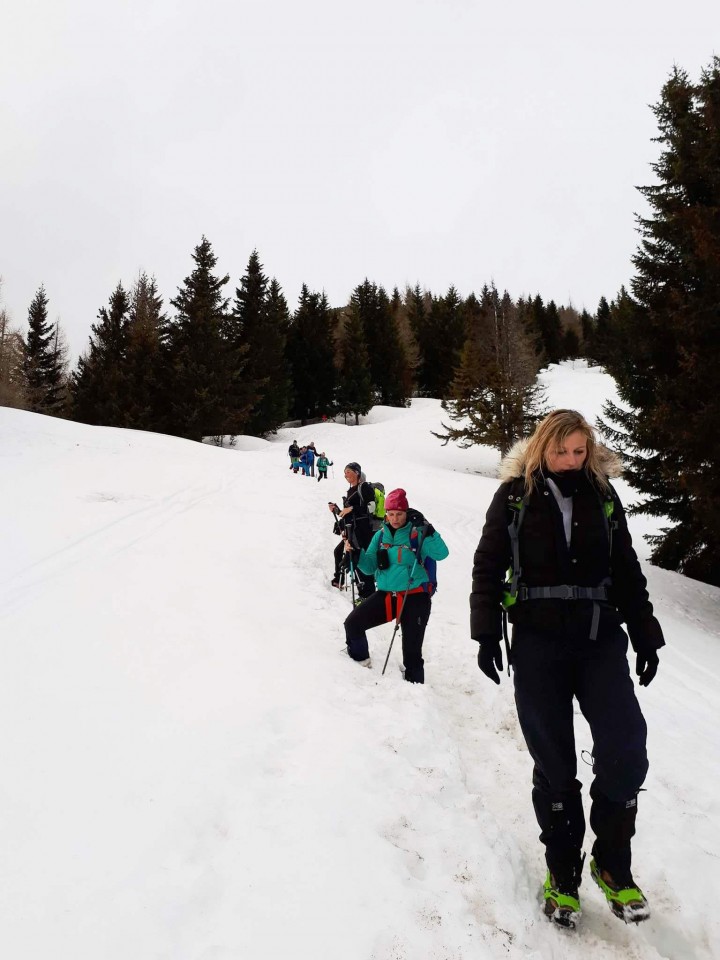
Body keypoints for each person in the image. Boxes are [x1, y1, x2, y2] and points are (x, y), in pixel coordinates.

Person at [470, 409, 665, 928]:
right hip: (536, 642)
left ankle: (610, 863)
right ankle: (562, 873)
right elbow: (488, 564)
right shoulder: (514, 497)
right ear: (542, 448)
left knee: (627, 749)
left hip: (599, 638)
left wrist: (646, 634)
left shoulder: (602, 495)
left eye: (580, 452)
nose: (571, 461)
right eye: (562, 452)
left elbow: (625, 567)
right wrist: (485, 629)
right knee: (555, 765)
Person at [342, 488, 448, 680]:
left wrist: (428, 528)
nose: (395, 518)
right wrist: (356, 555)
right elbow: (369, 567)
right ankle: (360, 666)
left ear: (406, 513)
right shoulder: (381, 536)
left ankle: (415, 695)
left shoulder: (417, 533)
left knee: (412, 654)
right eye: (391, 514)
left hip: (415, 596)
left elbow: (442, 553)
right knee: (352, 624)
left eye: (399, 514)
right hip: (386, 595)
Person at [327, 462, 377, 598]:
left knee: (359, 560)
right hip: (352, 531)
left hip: (362, 532)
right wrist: (337, 510)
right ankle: (340, 579)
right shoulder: (350, 491)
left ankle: (367, 594)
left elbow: (371, 508)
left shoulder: (364, 487)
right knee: (340, 553)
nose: (345, 475)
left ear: (357, 472)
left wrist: (352, 508)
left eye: (348, 471)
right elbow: (348, 513)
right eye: (344, 473)